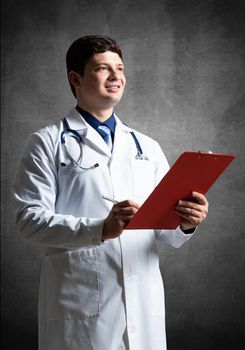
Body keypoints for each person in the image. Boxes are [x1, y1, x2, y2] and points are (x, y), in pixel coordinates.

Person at [13, 35, 209, 350]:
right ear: (75, 78)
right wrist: (100, 228)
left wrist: (187, 222)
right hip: (79, 303)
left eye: (119, 68)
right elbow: (29, 219)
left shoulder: (146, 146)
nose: (116, 76)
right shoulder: (46, 143)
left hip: (143, 304)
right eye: (103, 69)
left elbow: (166, 234)